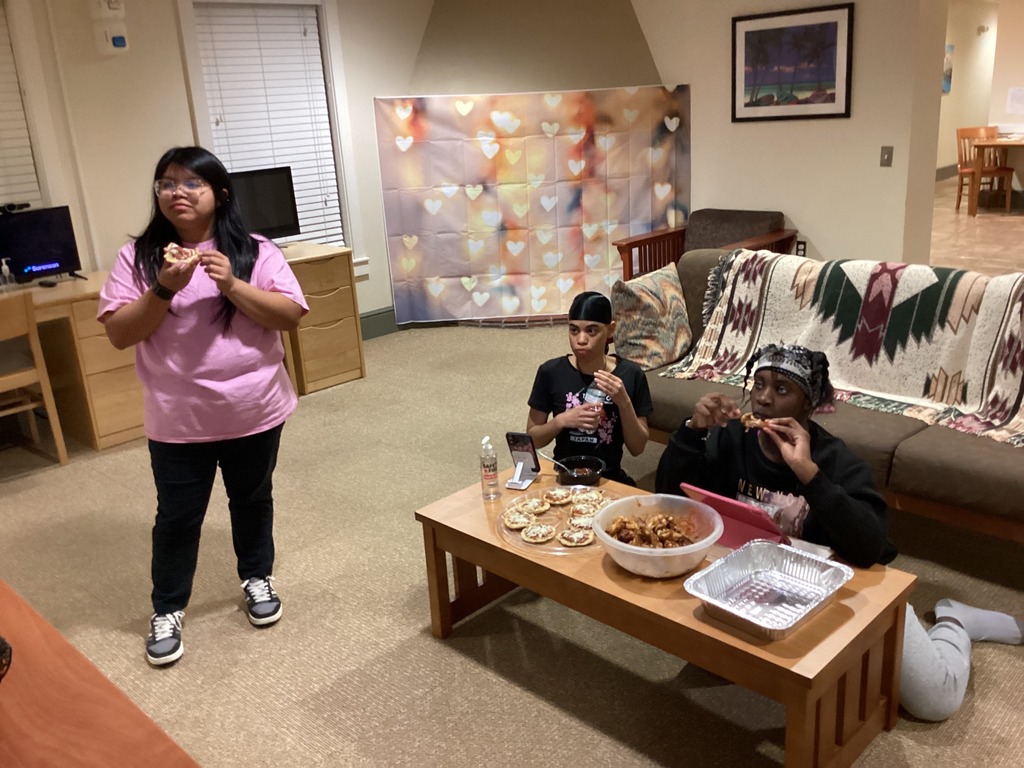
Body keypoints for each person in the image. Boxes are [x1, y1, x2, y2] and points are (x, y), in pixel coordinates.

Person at [654, 342, 1023, 720]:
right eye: (759, 384)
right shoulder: (728, 438)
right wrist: (691, 431)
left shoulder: (836, 461)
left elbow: (870, 549)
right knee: (713, 656)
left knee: (934, 700)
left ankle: (956, 623)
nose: (763, 400)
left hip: (846, 586)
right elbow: (666, 500)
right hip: (760, 583)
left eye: (782, 390)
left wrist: (810, 476)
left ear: (807, 404)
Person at [98, 146, 308, 666]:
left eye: (192, 183)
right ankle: (167, 607)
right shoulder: (139, 258)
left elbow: (289, 316)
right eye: (166, 183)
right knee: (177, 517)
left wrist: (232, 284)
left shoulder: (256, 251)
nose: (177, 193)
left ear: (221, 193)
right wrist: (165, 289)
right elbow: (121, 335)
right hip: (178, 418)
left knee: (253, 499)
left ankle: (257, 576)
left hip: (253, 408)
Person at [526, 291, 652, 486]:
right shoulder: (551, 372)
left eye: (591, 331)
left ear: (610, 330)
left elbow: (638, 448)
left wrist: (624, 403)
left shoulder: (630, 374)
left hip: (609, 477)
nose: (581, 339)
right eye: (574, 330)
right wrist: (560, 421)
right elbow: (532, 440)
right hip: (565, 476)